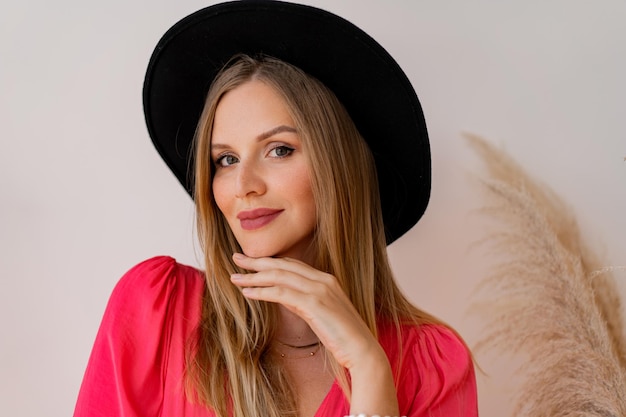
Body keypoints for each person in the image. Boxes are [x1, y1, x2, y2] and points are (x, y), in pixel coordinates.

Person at [73, 2, 478, 417]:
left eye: (279, 150)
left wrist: (369, 368)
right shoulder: (157, 313)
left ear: (339, 165)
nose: (244, 186)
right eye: (225, 160)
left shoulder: (432, 365)